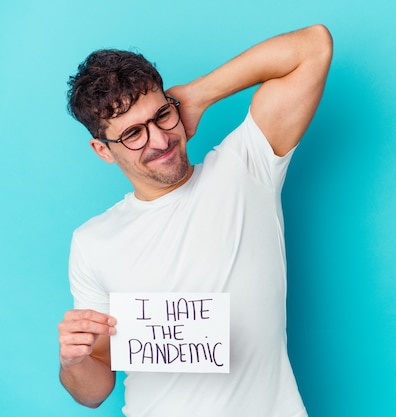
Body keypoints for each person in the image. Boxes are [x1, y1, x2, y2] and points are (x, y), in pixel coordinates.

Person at [57, 24, 333, 417]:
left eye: (162, 116)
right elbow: (94, 390)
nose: (159, 140)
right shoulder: (92, 242)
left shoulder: (246, 168)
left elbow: (313, 46)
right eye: (133, 133)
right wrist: (75, 363)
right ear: (103, 150)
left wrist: (199, 94)